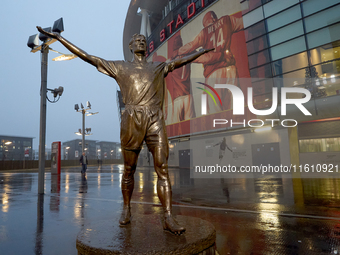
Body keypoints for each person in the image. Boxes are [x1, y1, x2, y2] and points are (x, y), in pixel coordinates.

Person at [37, 26, 213, 235]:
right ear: (130, 47)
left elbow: (181, 61)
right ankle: (127, 208)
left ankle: (167, 217)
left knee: (162, 169)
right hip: (132, 119)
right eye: (136, 39)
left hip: (155, 117)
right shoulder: (120, 68)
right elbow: (88, 57)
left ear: (146, 47)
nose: (140, 41)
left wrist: (201, 52)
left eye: (142, 39)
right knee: (129, 170)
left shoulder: (158, 67)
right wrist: (60, 39)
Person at [178, 11, 243, 114]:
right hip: (230, 69)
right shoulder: (226, 20)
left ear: (205, 23)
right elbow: (244, 21)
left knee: (214, 113)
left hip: (213, 74)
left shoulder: (204, 33)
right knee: (235, 109)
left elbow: (190, 46)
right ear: (214, 18)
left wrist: (179, 51)